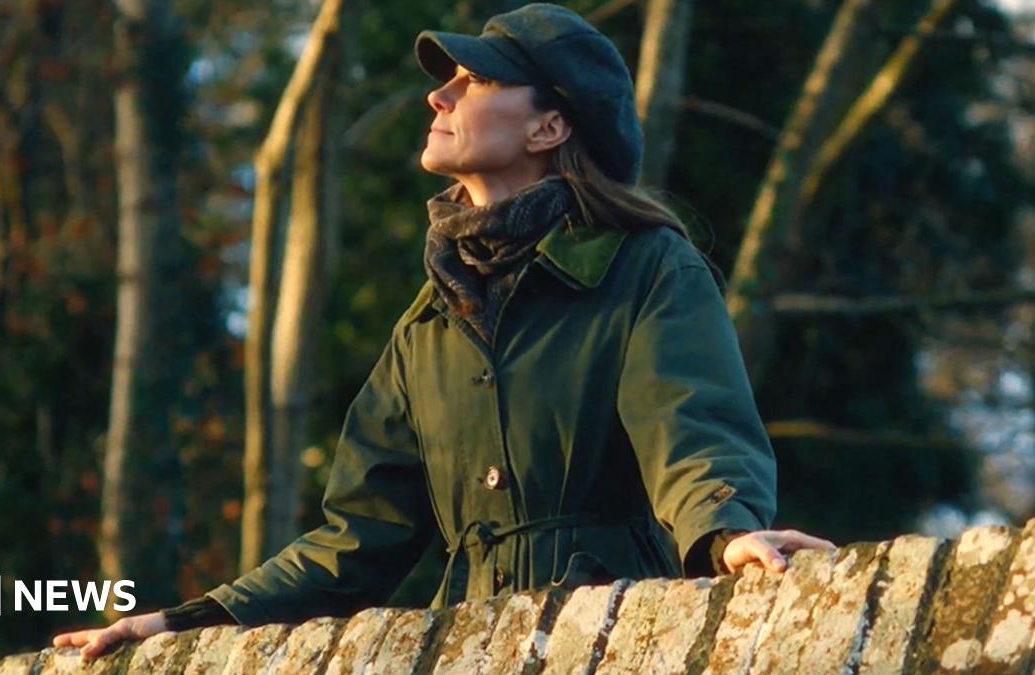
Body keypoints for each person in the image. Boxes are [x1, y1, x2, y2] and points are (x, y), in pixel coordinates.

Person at [53, 3, 834, 659]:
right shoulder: (427, 326)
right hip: (474, 649)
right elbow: (356, 538)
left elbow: (692, 430)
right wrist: (185, 619)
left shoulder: (646, 269)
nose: (440, 97)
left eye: (477, 80)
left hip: (624, 642)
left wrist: (728, 532)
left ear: (549, 126)